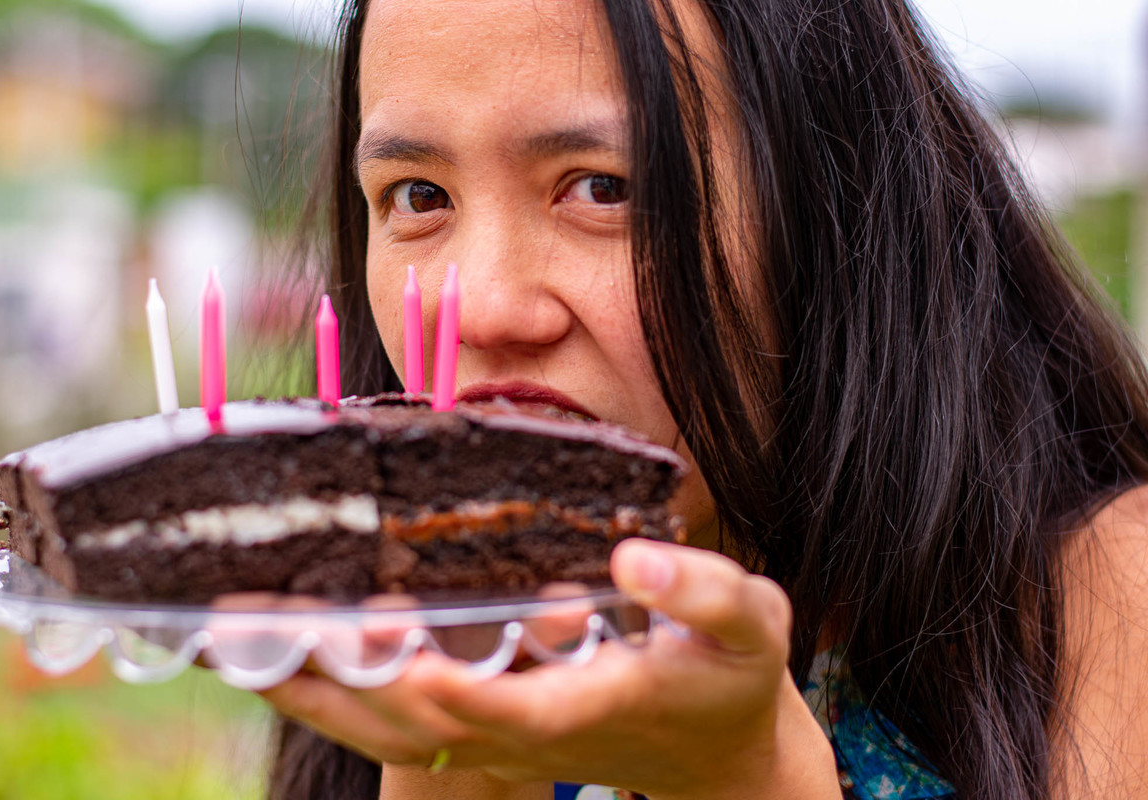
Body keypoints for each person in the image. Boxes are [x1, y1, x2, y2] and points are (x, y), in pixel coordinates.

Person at [257, 0, 1148, 798]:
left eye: (604, 188)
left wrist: (749, 778)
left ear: (834, 209)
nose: (482, 310)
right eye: (420, 197)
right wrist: (450, 762)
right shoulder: (380, 632)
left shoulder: (1107, 608)